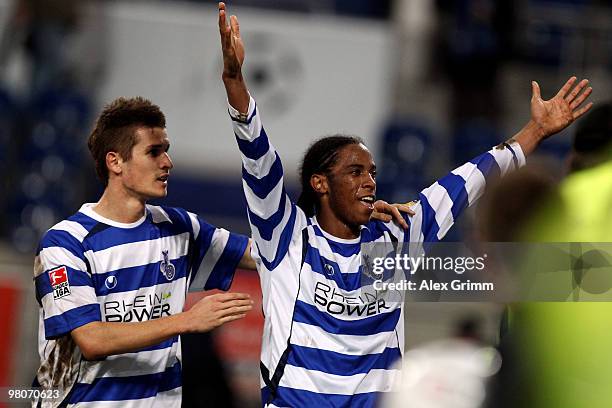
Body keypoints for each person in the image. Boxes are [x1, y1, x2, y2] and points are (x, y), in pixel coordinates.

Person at [218, 2, 593, 406]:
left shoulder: (397, 234)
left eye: (373, 171)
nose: (370, 181)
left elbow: (469, 179)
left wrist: (534, 131)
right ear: (319, 183)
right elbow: (259, 162)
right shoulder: (285, 238)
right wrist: (235, 83)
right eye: (355, 172)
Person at [32, 96, 256, 407]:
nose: (167, 162)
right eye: (153, 152)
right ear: (115, 162)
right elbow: (92, 340)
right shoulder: (65, 243)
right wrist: (186, 321)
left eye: (166, 150)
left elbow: (261, 254)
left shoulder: (179, 227)